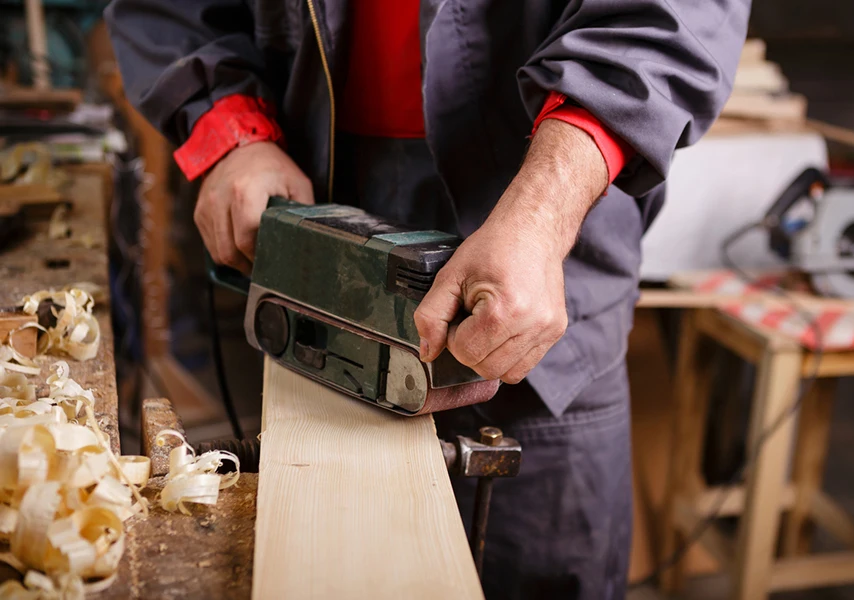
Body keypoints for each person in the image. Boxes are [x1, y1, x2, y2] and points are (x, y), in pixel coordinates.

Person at [105, 1, 750, 597]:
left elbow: (670, 13)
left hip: (548, 210)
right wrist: (232, 131)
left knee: (540, 563)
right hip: (317, 197)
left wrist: (545, 209)